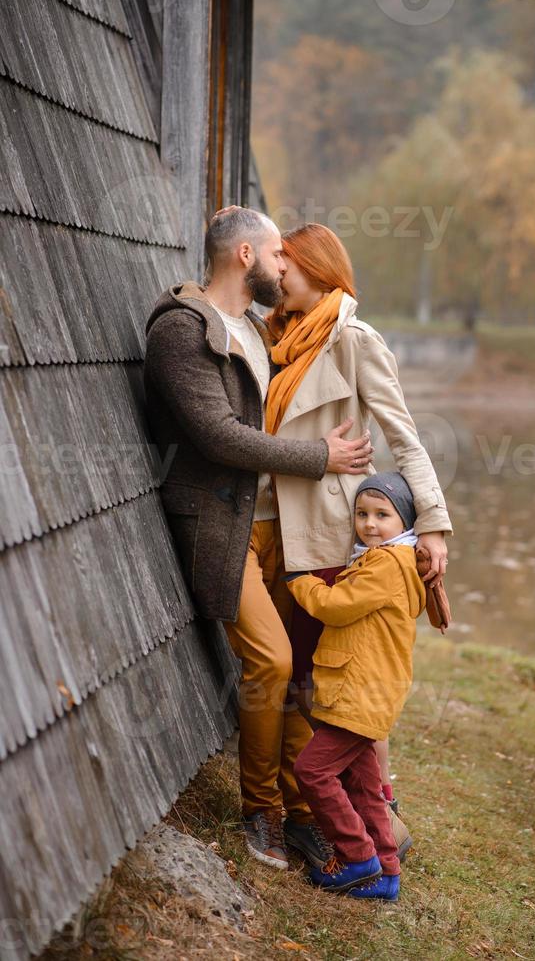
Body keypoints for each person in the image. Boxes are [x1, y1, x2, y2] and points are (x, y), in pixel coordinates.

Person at [143, 207, 374, 871]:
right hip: (219, 524)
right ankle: (260, 810)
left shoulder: (253, 330)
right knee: (271, 662)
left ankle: (308, 813)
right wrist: (318, 458)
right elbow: (216, 436)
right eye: (278, 256)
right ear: (245, 255)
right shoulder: (183, 332)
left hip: (275, 526)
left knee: (304, 667)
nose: (285, 266)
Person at [264, 223, 453, 837]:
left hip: (328, 529)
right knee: (298, 674)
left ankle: (374, 816)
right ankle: (327, 808)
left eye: (284, 264)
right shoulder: (280, 335)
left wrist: (433, 525)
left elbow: (404, 436)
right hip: (277, 521)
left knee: (333, 680)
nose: (276, 275)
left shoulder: (355, 340)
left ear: (316, 270)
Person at [285, 471, 427, 901]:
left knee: (312, 770)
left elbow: (337, 606)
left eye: (382, 515)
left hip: (360, 693)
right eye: (362, 513)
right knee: (363, 784)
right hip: (367, 692)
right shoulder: (384, 559)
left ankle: (356, 856)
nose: (369, 524)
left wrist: (301, 580)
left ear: (404, 522)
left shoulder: (386, 563)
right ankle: (386, 872)